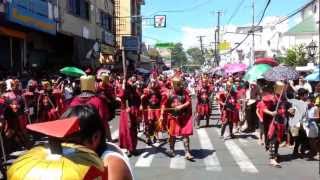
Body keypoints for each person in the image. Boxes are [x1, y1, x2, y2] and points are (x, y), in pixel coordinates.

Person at [8, 105, 134, 180]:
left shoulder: (111, 164)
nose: (66, 147)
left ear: (95, 137)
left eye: (72, 142)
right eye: (62, 142)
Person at [70, 75, 112, 141]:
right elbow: (104, 123)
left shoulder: (73, 101)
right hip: (94, 140)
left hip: (77, 139)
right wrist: (109, 139)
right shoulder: (99, 101)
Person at [160, 76, 193, 160]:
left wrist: (181, 106)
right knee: (172, 135)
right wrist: (161, 114)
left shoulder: (184, 92)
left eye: (180, 84)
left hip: (183, 116)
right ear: (174, 85)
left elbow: (188, 102)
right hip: (173, 116)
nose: (180, 86)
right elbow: (163, 104)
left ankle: (187, 152)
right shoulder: (168, 93)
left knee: (185, 135)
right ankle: (171, 150)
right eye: (178, 85)